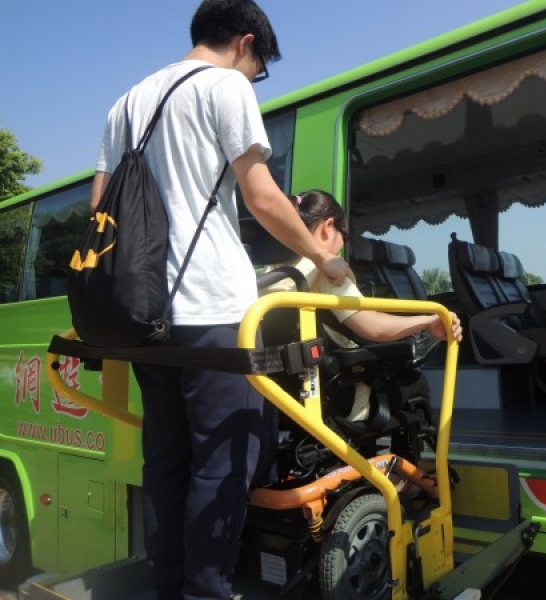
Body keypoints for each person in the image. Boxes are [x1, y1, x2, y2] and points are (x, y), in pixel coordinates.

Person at [90, 2, 352, 599]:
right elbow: (261, 197)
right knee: (224, 459)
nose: (254, 77)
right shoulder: (224, 89)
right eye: (258, 66)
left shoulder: (124, 103)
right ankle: (205, 591)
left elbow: (99, 208)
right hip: (211, 307)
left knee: (166, 460)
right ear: (244, 43)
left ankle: (171, 586)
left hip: (142, 314)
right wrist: (322, 258)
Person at [265, 189, 463, 421]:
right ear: (328, 227)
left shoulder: (273, 275)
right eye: (345, 237)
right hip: (340, 401)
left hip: (281, 400)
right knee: (415, 383)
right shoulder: (328, 271)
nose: (342, 247)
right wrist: (428, 321)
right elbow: (373, 327)